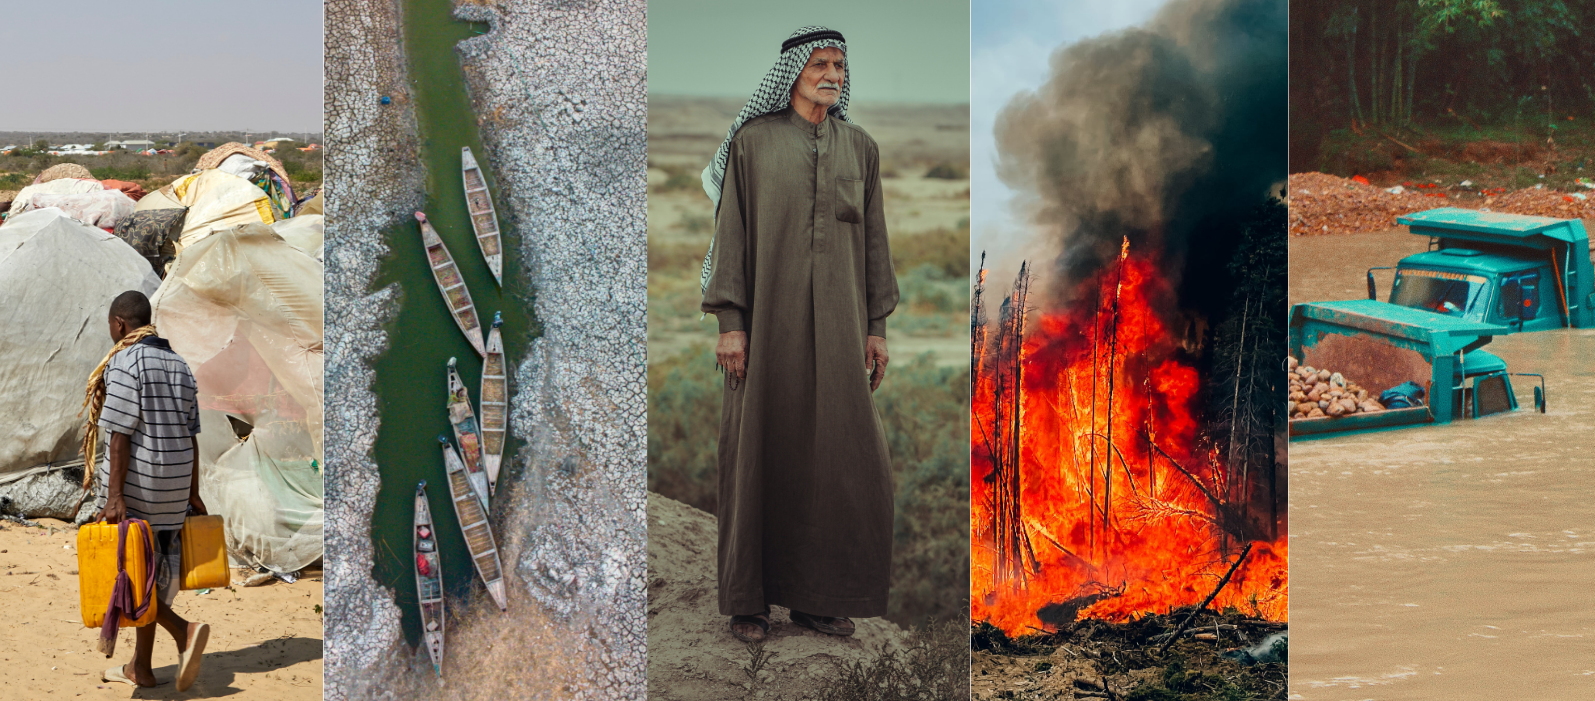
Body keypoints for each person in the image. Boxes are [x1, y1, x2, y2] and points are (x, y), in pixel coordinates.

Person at [699, 25, 900, 643]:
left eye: (840, 64)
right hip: (768, 328)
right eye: (820, 63)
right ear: (792, 73)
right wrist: (732, 323)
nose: (832, 73)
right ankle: (749, 603)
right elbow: (730, 235)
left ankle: (818, 599)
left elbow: (873, 247)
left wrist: (875, 329)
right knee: (760, 451)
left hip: (841, 331)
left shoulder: (860, 149)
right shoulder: (753, 145)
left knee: (840, 459)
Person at [86, 290, 210, 690]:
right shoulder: (180, 364)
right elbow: (191, 436)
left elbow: (119, 433)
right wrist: (192, 493)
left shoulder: (126, 362)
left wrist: (114, 497)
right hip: (174, 488)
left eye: (110, 326)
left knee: (130, 577)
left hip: (140, 487)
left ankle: (184, 631)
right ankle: (140, 667)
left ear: (120, 324)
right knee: (151, 576)